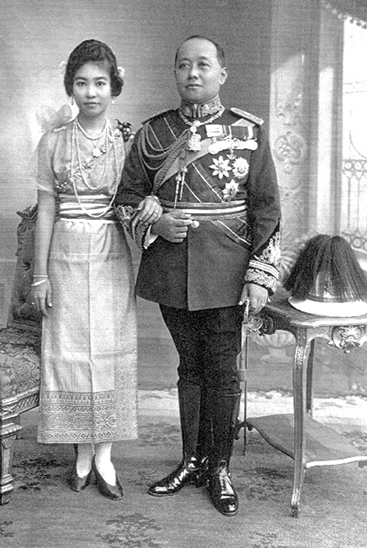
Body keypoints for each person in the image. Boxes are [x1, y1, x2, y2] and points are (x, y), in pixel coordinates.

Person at [115, 35, 281, 516]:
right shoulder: (153, 134)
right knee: (189, 366)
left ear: (221, 75)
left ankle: (220, 469)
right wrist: (155, 223)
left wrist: (259, 274)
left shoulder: (248, 132)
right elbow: (125, 200)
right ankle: (191, 461)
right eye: (184, 65)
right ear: (175, 73)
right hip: (172, 266)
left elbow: (268, 209)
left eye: (203, 65)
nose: (193, 73)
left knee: (222, 369)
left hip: (228, 269)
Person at [31, 39, 156, 500]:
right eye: (82, 83)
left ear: (113, 87)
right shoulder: (53, 141)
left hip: (110, 252)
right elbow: (46, 210)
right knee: (69, 351)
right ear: (71, 87)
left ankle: (105, 455)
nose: (91, 92)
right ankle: (81, 453)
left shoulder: (127, 141)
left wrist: (150, 203)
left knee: (108, 350)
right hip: (63, 252)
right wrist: (40, 276)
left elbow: (137, 199)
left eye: (100, 83)